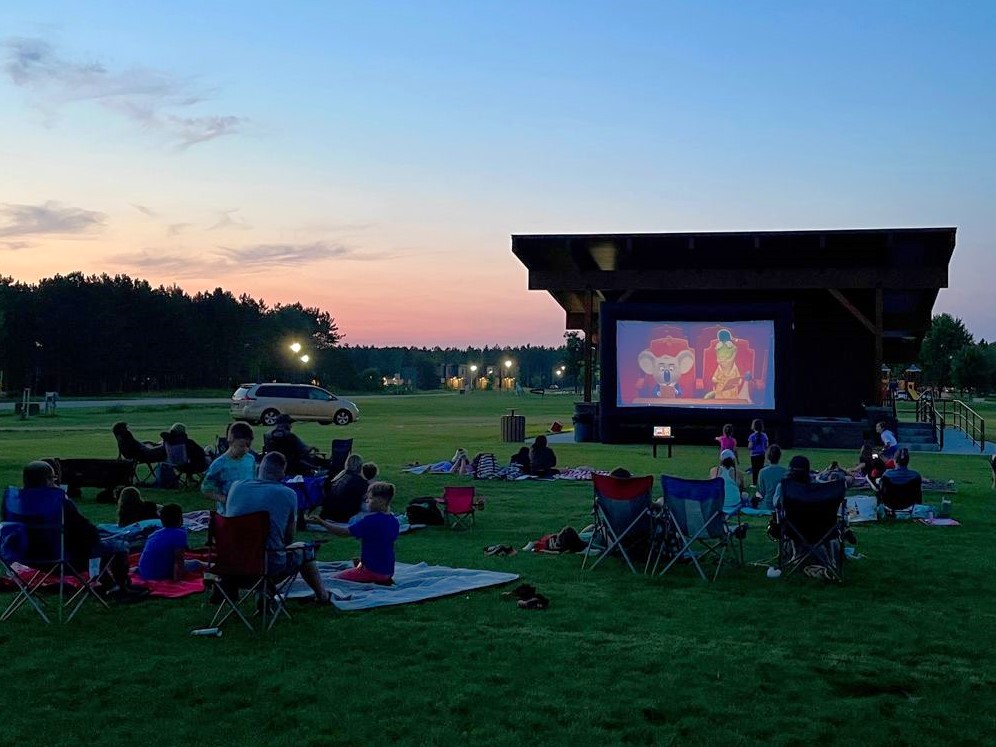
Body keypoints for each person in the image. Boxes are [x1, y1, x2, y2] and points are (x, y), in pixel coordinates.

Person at [14, 461, 147, 599]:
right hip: (65, 559)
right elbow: (87, 531)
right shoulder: (58, 502)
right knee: (117, 546)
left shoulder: (16, 503)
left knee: (94, 547)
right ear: (47, 480)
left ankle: (110, 585)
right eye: (53, 478)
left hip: (29, 558)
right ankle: (122, 587)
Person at [226, 452, 329, 603]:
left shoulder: (236, 487)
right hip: (267, 566)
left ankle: (263, 592)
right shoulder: (288, 494)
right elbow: (288, 539)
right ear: (282, 473)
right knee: (303, 549)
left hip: (231, 565)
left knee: (264, 549)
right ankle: (322, 596)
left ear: (259, 469)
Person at [310, 481, 400, 585]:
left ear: (380, 501)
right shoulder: (394, 521)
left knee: (332, 580)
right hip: (388, 571)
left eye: (370, 498)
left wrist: (322, 523)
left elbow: (343, 533)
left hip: (372, 572)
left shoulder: (371, 521)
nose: (367, 501)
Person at [202, 422, 257, 515]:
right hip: (228, 513)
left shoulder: (250, 459)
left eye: (248, 446)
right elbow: (206, 489)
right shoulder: (219, 464)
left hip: (248, 510)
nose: (245, 449)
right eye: (241, 446)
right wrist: (225, 500)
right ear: (231, 441)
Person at [137, 503, 203, 581]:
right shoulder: (180, 534)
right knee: (197, 563)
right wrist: (177, 582)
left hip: (144, 572)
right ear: (180, 519)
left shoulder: (154, 534)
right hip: (160, 575)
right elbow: (179, 560)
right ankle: (211, 566)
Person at [321, 453, 368, 522]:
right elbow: (366, 499)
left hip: (328, 514)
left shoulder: (339, 477)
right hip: (344, 517)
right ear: (360, 467)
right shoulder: (359, 481)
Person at [754, 444, 787, 510]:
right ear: (779, 456)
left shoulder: (762, 472)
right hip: (780, 505)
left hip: (767, 505)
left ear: (768, 456)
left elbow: (761, 491)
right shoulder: (785, 471)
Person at [747, 419, 768, 484]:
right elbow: (766, 445)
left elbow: (750, 447)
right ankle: (761, 483)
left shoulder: (752, 436)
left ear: (753, 426)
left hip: (754, 456)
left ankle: (754, 484)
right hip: (762, 455)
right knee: (760, 469)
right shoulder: (764, 435)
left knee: (754, 470)